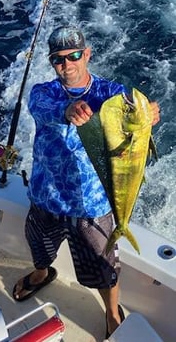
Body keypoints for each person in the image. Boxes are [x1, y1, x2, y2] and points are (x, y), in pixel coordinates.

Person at [12, 26, 160, 337]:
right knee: (39, 246)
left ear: (87, 54)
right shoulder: (44, 93)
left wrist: (145, 116)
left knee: (104, 267)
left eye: (74, 55)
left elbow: (131, 118)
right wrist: (67, 110)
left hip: (92, 204)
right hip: (46, 196)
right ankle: (42, 274)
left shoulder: (111, 93)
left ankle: (112, 313)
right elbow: (42, 108)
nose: (67, 64)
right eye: (59, 59)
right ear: (52, 63)